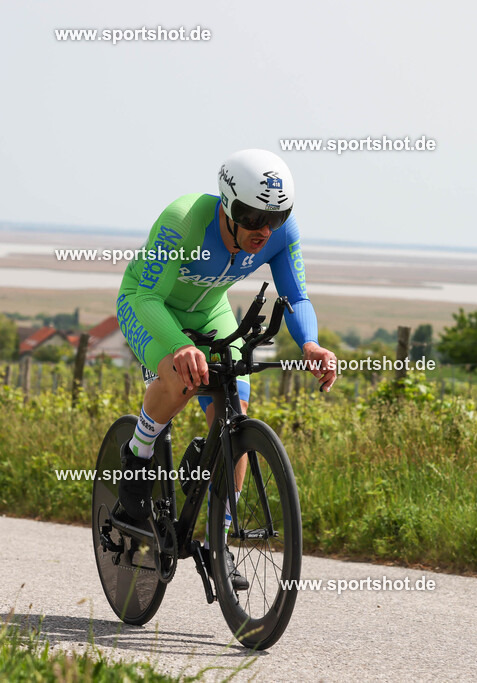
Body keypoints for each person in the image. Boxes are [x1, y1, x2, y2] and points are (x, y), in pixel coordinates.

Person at [115, 148, 338, 589]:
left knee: (233, 408)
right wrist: (178, 345)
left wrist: (310, 342)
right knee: (181, 379)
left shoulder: (278, 230)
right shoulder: (183, 220)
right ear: (227, 205)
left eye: (276, 216)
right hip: (149, 307)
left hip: (210, 314)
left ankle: (219, 541)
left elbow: (296, 295)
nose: (265, 229)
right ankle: (138, 450)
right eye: (253, 217)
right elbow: (147, 298)